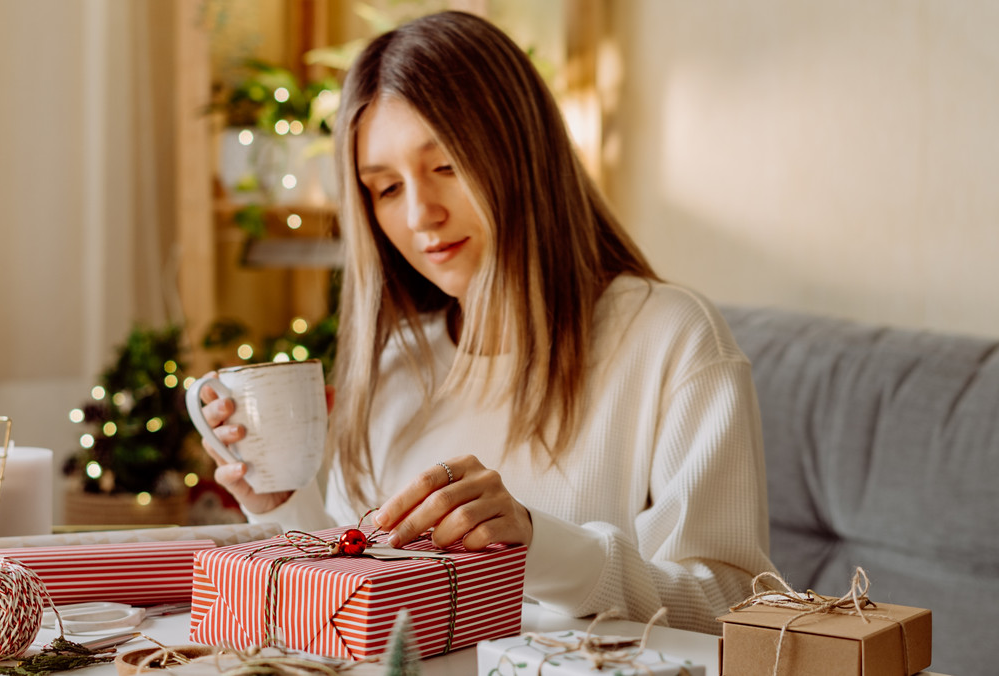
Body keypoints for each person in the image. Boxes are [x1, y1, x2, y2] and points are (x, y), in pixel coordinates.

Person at [196, 10, 774, 635]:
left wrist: (537, 545)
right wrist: (283, 504)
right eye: (386, 188)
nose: (420, 214)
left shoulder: (671, 337)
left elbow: (733, 606)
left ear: (523, 154)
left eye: (445, 166)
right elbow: (351, 588)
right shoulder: (395, 363)